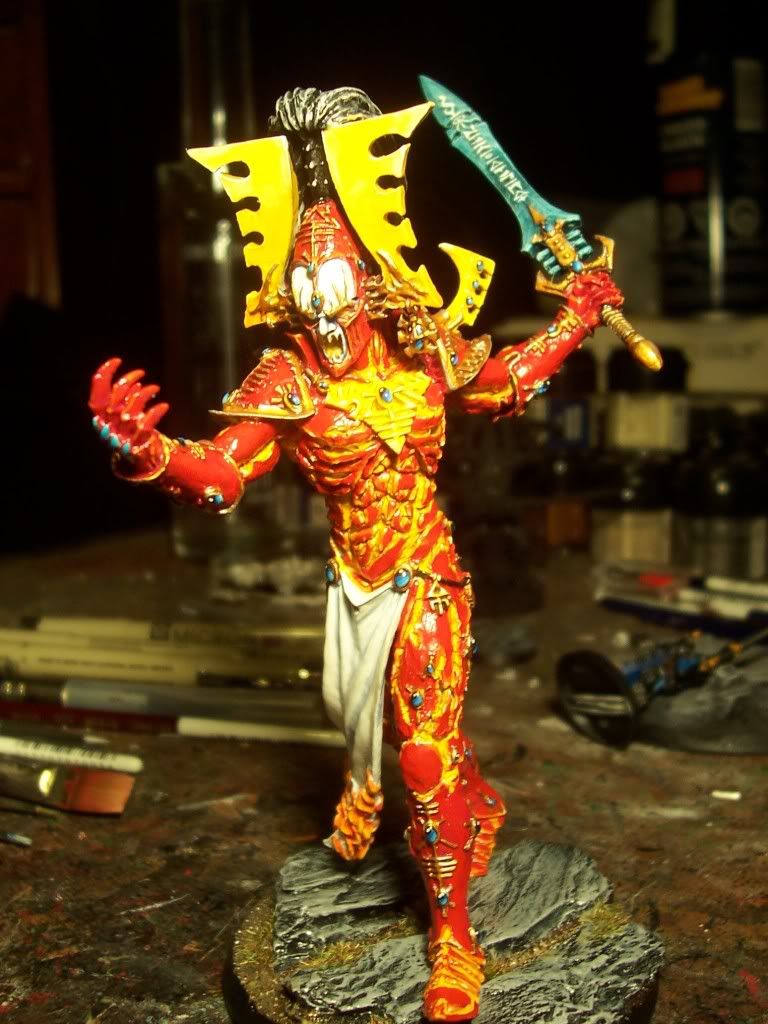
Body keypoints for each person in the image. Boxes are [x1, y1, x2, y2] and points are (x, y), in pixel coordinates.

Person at [89, 86, 623, 1022]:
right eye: (305, 294)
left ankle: (452, 939)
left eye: (334, 288)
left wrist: (576, 319)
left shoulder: (423, 351)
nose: (322, 313)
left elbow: (503, 383)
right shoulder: (287, 378)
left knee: (422, 755)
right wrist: (149, 453)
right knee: (396, 735)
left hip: (427, 572)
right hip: (353, 588)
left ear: (370, 282)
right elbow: (222, 475)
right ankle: (471, 802)